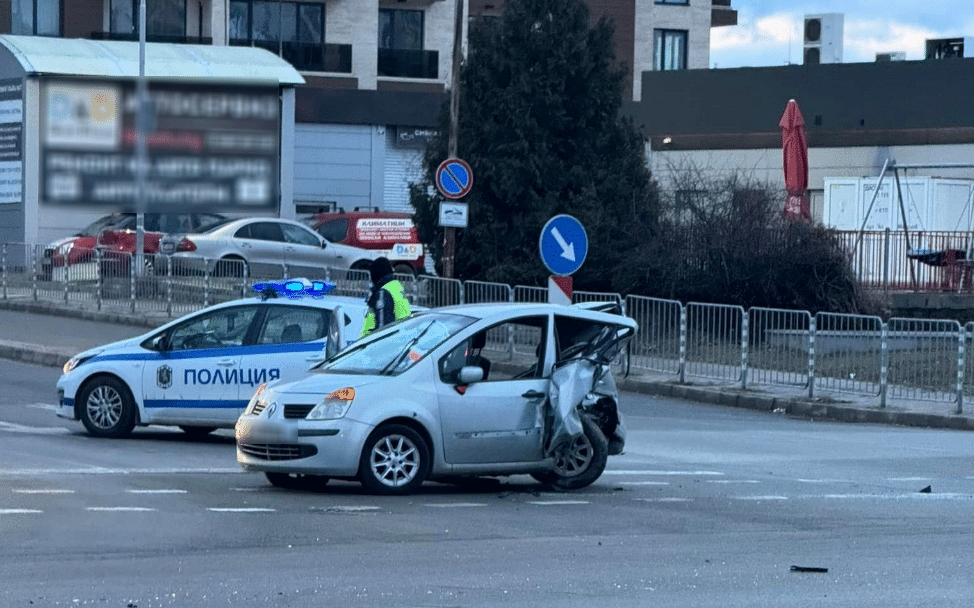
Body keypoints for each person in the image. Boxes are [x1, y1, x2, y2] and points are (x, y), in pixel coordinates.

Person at [360, 257, 411, 337]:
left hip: (375, 346)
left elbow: (382, 330)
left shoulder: (383, 293)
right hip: (399, 340)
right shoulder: (396, 287)